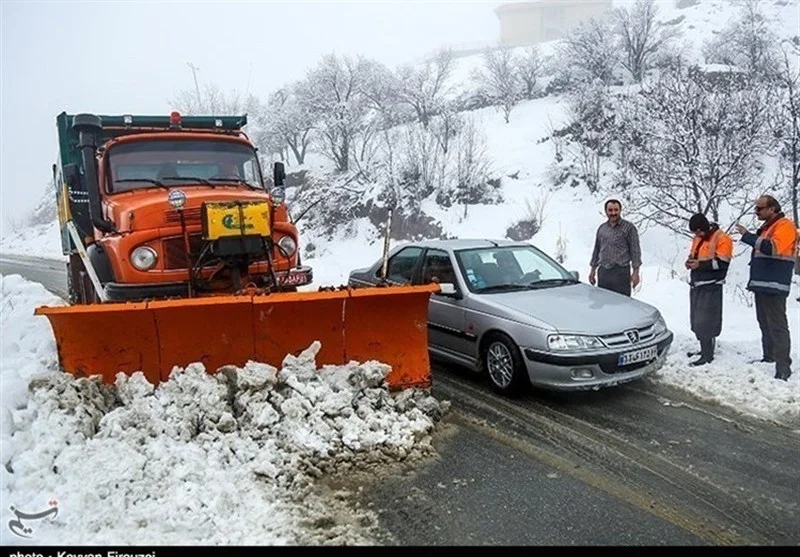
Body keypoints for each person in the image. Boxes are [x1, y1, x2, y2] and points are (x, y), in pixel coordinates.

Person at [735, 195, 798, 381]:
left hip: (775, 284)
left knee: (777, 326)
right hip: (762, 284)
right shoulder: (768, 228)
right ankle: (769, 356)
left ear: (772, 209)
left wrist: (747, 236)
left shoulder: (785, 226)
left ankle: (783, 367)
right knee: (764, 322)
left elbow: (773, 248)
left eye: (759, 209)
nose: (756, 212)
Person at [684, 213, 733, 366]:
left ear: (703, 227)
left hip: (711, 286)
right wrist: (690, 262)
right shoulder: (698, 238)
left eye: (698, 231)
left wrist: (700, 265)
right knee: (697, 321)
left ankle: (707, 355)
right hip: (697, 284)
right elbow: (695, 255)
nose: (696, 235)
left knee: (707, 322)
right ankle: (704, 349)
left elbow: (722, 265)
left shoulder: (722, 238)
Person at [589, 199, 642, 296]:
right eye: (610, 210)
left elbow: (635, 251)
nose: (613, 213)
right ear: (606, 211)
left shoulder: (629, 228)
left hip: (621, 272)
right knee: (603, 302)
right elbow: (596, 250)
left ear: (620, 210)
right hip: (604, 272)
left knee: (621, 304)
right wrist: (592, 271)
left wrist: (636, 273)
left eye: (616, 210)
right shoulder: (602, 229)